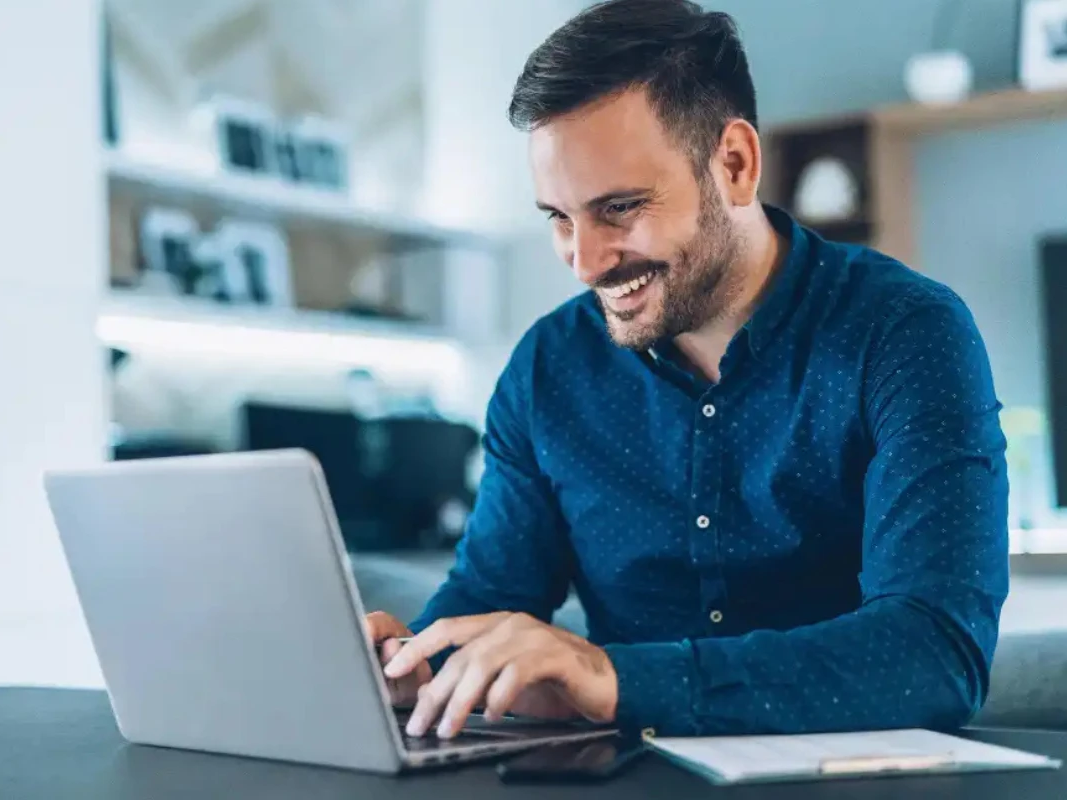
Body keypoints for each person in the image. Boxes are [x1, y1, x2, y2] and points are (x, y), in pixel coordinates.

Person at [369, 0, 1009, 740]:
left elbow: (934, 653)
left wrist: (617, 680)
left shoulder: (905, 333)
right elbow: (490, 593)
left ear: (734, 164)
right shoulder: (546, 369)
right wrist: (411, 660)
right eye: (558, 217)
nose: (584, 261)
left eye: (619, 208)